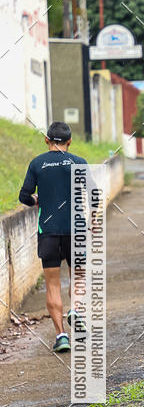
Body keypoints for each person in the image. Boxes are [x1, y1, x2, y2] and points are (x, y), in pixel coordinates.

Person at [18, 122, 87, 353]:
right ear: (69, 142)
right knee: (78, 277)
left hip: (47, 232)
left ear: (46, 140)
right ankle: (75, 309)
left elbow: (24, 196)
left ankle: (61, 336)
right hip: (75, 231)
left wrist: (37, 201)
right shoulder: (79, 163)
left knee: (52, 285)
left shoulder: (37, 164)